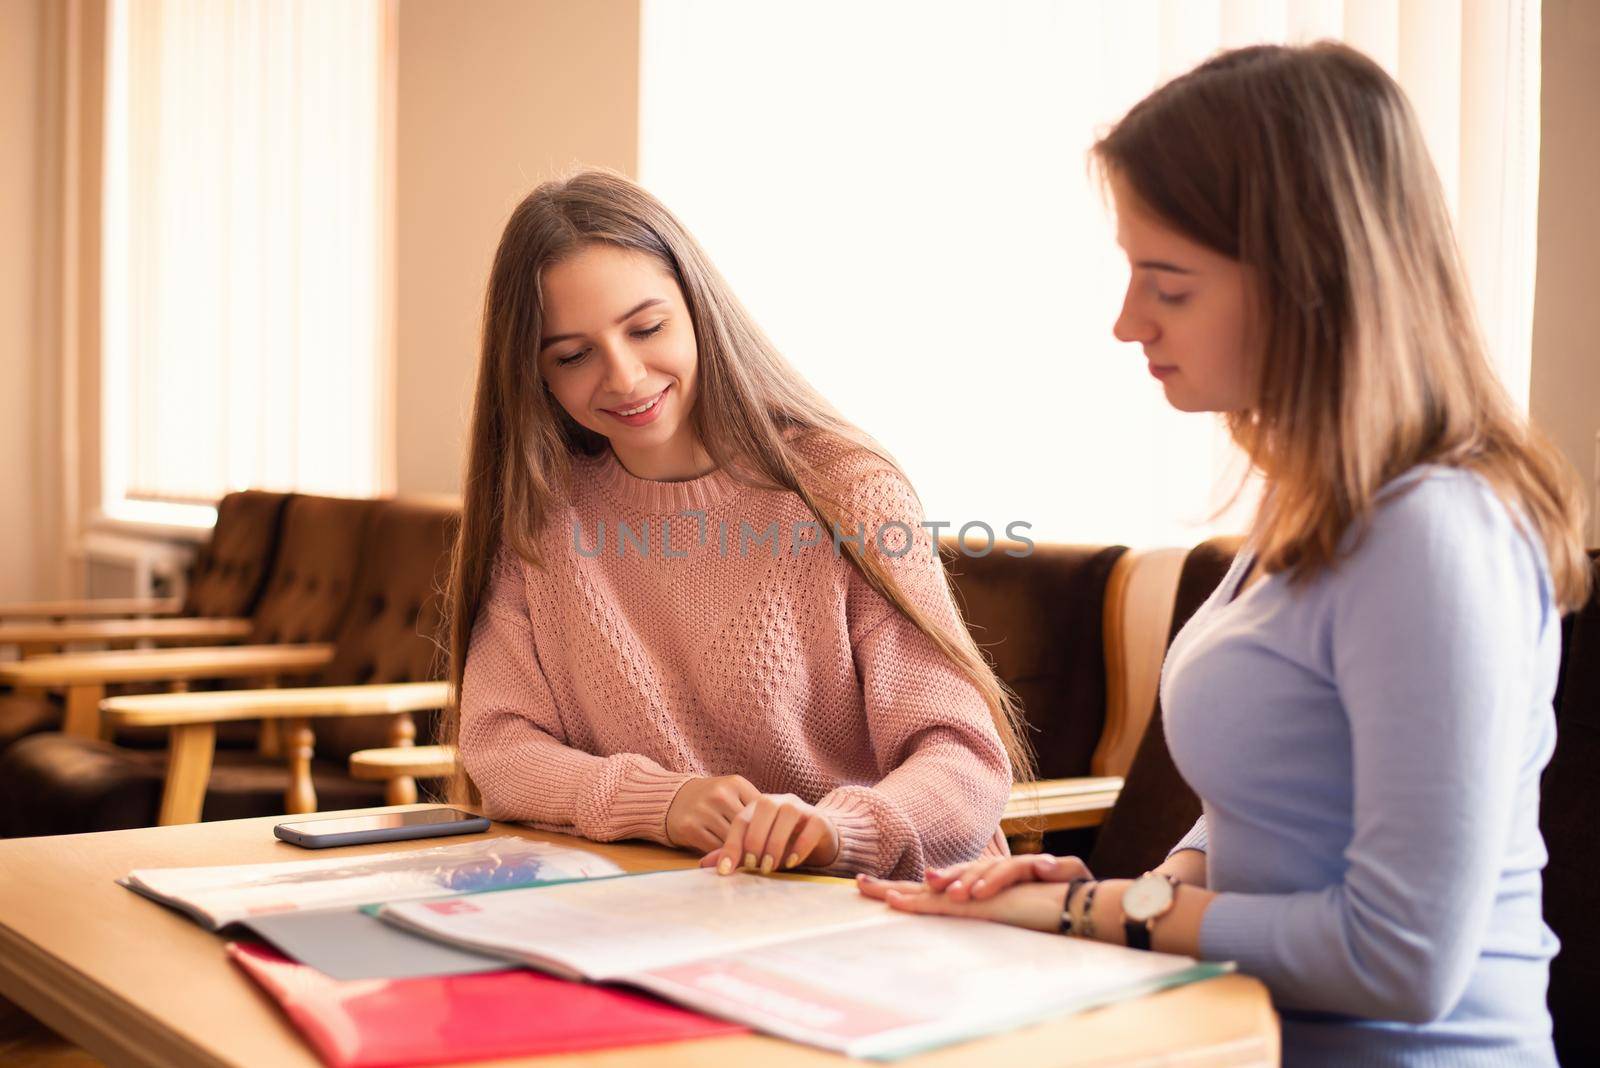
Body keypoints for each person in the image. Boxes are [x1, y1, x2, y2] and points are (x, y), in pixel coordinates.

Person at [858, 42, 1589, 1065]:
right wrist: (1103, 890)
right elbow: (1271, 821)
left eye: (1169, 284)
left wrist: (1099, 917)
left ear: (1310, 284)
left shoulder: (1433, 534)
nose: (1126, 322)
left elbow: (1401, 961)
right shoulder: (1309, 506)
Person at [441, 170, 1027, 880]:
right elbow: (500, 749)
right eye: (573, 355)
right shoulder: (542, 516)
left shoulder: (844, 489)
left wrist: (833, 829)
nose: (623, 377)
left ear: (699, 310)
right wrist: (662, 802)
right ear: (534, 375)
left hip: (872, 911)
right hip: (664, 909)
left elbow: (962, 758)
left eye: (646, 328)